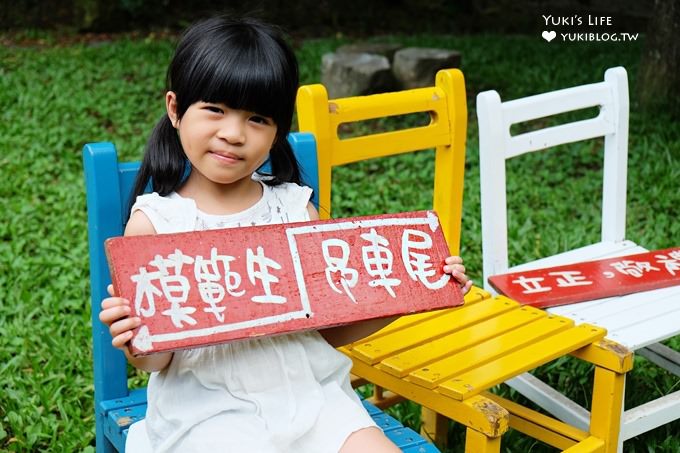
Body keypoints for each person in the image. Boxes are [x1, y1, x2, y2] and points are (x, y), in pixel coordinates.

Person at [99, 15, 473, 453]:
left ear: (277, 131)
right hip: (208, 414)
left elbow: (329, 329)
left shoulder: (293, 208)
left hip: (313, 398)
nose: (233, 134)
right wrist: (134, 340)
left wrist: (407, 292)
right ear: (175, 109)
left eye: (257, 118)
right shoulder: (155, 224)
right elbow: (156, 361)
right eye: (215, 110)